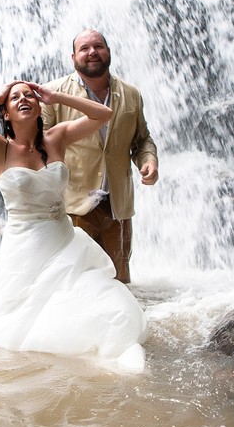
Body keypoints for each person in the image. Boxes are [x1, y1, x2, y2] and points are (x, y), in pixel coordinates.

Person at [0, 80, 148, 373]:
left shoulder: (57, 137)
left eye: (28, 95)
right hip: (24, 247)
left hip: (63, 239)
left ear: (40, 105)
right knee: (21, 319)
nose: (22, 100)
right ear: (6, 113)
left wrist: (57, 97)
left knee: (98, 299)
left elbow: (103, 115)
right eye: (14, 98)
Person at [41, 29, 159, 284]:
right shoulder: (53, 94)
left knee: (120, 283)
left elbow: (142, 140)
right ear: (73, 57)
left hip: (118, 206)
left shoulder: (131, 93)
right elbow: (40, 148)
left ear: (108, 51)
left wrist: (149, 160)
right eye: (84, 48)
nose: (92, 52)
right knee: (75, 283)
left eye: (98, 46)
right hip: (73, 206)